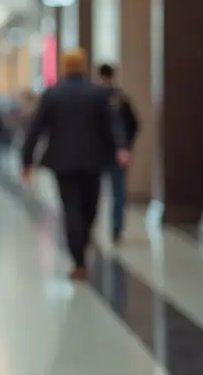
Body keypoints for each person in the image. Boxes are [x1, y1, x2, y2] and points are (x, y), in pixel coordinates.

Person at [22, 48, 128, 279]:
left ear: (64, 66)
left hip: (63, 162)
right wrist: (120, 148)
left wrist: (26, 160)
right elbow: (113, 124)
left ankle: (78, 258)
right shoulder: (98, 93)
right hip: (94, 160)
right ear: (83, 66)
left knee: (71, 208)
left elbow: (36, 129)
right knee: (90, 207)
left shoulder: (52, 94)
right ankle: (82, 245)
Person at [96, 63, 140, 244]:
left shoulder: (95, 98)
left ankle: (94, 225)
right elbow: (135, 123)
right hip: (118, 153)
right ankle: (116, 227)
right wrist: (126, 146)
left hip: (98, 152)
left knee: (95, 191)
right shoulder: (121, 99)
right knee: (118, 191)